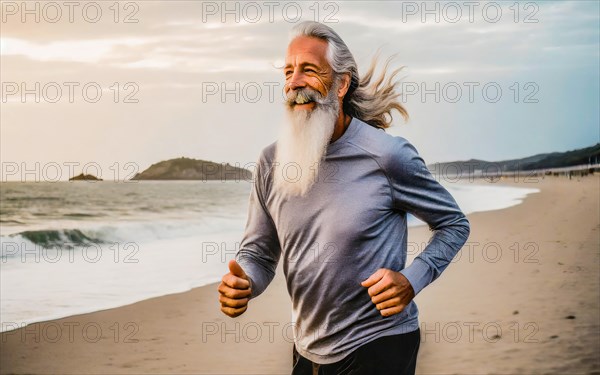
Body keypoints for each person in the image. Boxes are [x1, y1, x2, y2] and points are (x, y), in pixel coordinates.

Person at [218, 21, 471, 374]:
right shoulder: (270, 162)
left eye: (309, 70)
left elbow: (453, 224)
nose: (294, 83)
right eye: (288, 72)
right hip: (308, 349)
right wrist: (243, 282)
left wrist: (412, 280)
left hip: (380, 343)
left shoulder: (387, 156)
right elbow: (259, 254)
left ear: (342, 83)